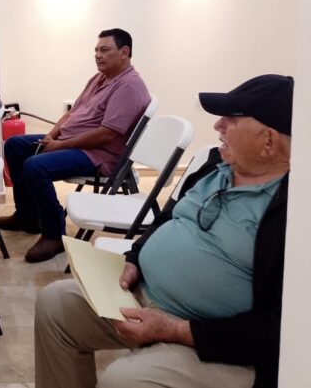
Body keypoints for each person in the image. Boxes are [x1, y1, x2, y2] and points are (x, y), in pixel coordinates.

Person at [34, 74, 293, 388]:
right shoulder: (214, 166)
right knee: (55, 304)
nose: (218, 126)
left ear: (268, 140)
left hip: (212, 339)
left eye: (231, 119)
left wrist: (175, 330)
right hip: (145, 296)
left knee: (122, 381)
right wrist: (135, 258)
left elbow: (276, 329)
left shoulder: (291, 213)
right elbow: (166, 219)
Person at [0, 28, 150, 263]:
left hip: (99, 154)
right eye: (96, 50)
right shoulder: (100, 78)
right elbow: (72, 113)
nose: (98, 55)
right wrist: (51, 137)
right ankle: (27, 215)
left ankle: (54, 234)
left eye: (104, 50)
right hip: (72, 142)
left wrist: (60, 145)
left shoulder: (129, 86)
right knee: (14, 145)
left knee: (35, 166)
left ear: (124, 52)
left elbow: (107, 135)